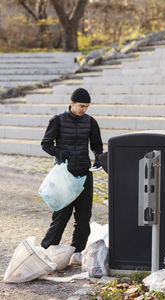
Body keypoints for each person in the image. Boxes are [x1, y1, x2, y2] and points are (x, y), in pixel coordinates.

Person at [40, 88, 103, 264]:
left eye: (87, 107)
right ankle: (45, 253)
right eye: (82, 106)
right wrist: (59, 152)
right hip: (64, 176)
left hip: (84, 174)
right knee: (60, 217)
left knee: (83, 218)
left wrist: (99, 159)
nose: (84, 110)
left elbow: (97, 145)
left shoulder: (90, 122)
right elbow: (45, 144)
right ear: (72, 103)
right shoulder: (57, 120)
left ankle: (77, 253)